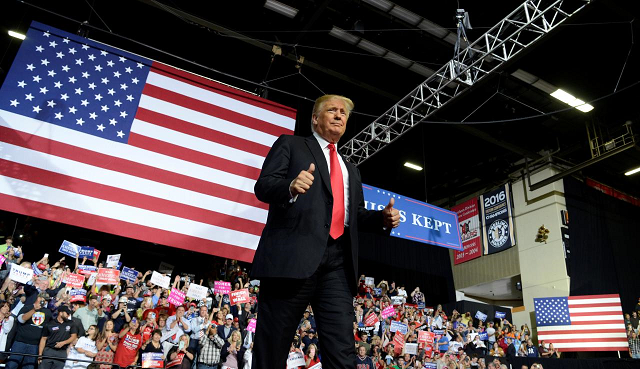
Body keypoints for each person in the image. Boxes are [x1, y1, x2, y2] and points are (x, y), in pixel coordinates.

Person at [251, 94, 400, 369]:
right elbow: (263, 186)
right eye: (332, 110)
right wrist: (290, 186)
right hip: (292, 259)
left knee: (342, 353)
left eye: (343, 113)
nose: (339, 115)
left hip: (337, 265)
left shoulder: (351, 169)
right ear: (315, 118)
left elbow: (353, 215)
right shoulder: (291, 144)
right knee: (272, 348)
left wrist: (382, 219)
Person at [6, 292, 52, 369]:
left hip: (34, 345)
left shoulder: (47, 312)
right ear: (38, 298)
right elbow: (21, 319)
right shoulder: (27, 308)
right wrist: (34, 310)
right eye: (44, 299)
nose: (45, 302)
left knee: (29, 367)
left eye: (47, 301)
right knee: (12, 365)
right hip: (20, 342)